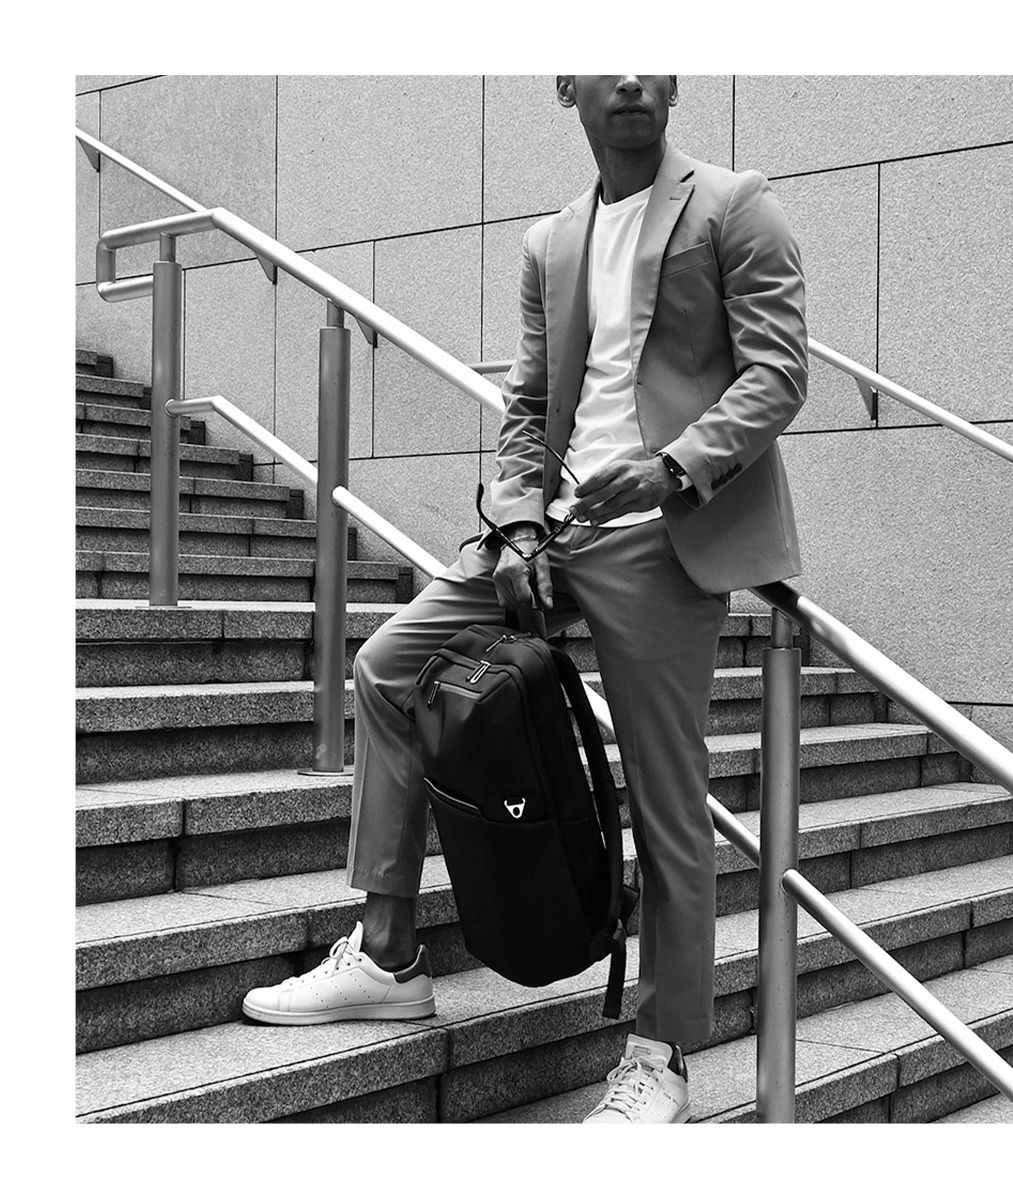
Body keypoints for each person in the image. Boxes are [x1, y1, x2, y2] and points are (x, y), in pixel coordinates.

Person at [243, 74, 807, 1125]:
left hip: (664, 536)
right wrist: (516, 526)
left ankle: (662, 1056)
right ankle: (387, 955)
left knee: (668, 798)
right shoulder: (552, 243)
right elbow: (529, 409)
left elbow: (776, 375)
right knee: (388, 669)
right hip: (555, 534)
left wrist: (671, 468)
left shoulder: (736, 206)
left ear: (674, 81)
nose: (630, 75)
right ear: (565, 87)